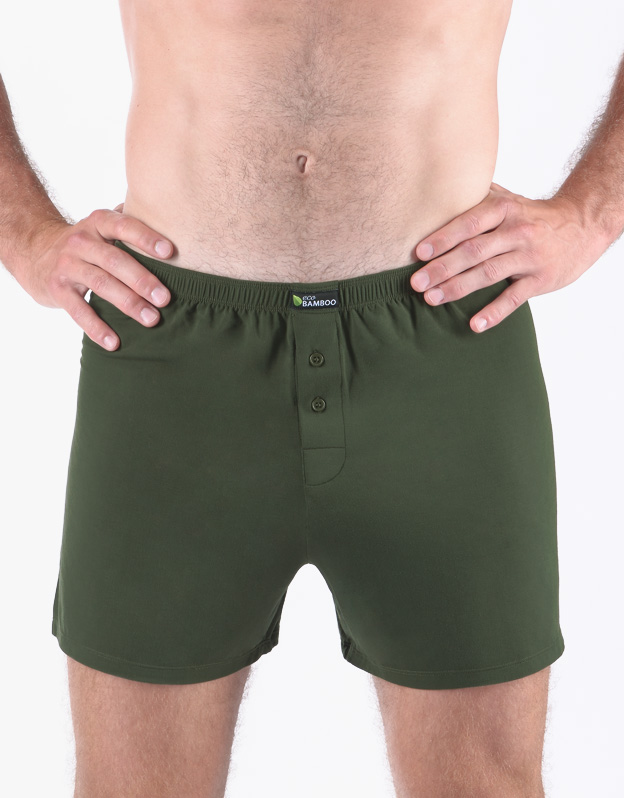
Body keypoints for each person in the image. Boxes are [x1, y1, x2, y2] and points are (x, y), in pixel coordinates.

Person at [1, 2, 622, 796]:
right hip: (171, 359)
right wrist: (21, 230)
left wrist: (593, 212)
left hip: (445, 352)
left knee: (483, 784)